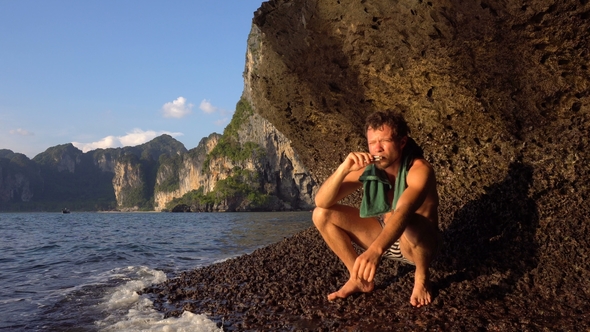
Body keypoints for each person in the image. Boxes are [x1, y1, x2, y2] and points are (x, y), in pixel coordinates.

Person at [312, 110, 440, 307]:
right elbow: (321, 201)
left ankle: (422, 277)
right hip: (387, 238)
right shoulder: (370, 168)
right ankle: (359, 278)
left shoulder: (419, 170)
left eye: (384, 141)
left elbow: (404, 211)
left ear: (402, 142)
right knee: (321, 214)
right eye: (372, 143)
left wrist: (375, 251)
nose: (377, 149)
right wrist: (343, 169)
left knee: (409, 219)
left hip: (418, 246)